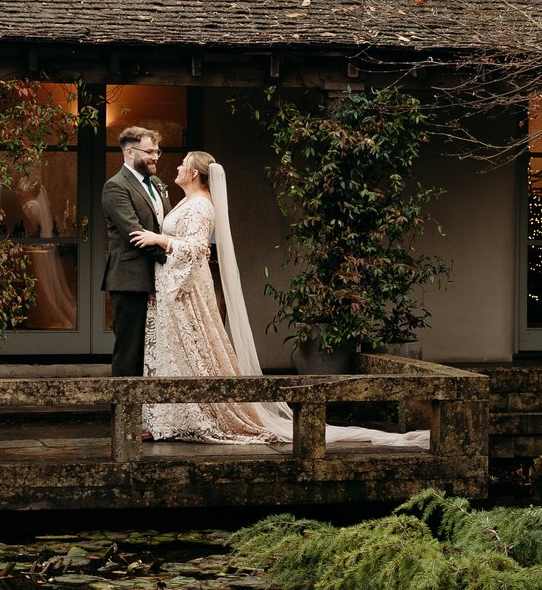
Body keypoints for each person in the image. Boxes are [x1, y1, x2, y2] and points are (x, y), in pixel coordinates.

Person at [131, 150, 427, 450]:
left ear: (194, 173)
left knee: (194, 350)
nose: (178, 167)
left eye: (183, 164)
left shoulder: (200, 206)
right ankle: (172, 417)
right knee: (182, 352)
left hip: (187, 293)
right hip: (178, 290)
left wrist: (161, 239)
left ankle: (192, 416)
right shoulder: (189, 201)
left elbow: (195, 248)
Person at [99, 125, 168, 378]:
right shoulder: (115, 186)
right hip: (130, 280)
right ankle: (124, 415)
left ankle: (150, 415)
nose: (155, 157)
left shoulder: (158, 184)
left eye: (157, 151)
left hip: (159, 278)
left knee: (155, 350)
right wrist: (173, 255)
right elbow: (135, 235)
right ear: (130, 151)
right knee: (130, 351)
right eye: (150, 152)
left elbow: (166, 224)